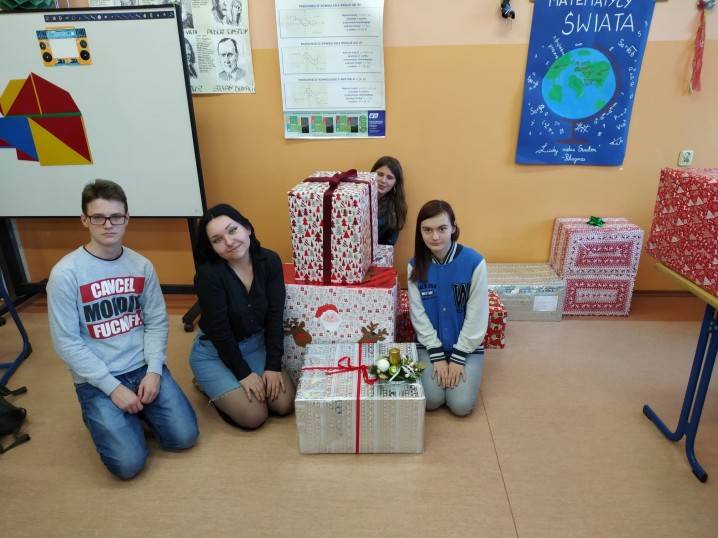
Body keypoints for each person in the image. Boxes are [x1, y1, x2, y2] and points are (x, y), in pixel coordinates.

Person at [46, 179, 199, 480]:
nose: (108, 225)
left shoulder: (141, 266)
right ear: (84, 220)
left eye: (115, 216)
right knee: (128, 466)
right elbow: (66, 342)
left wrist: (154, 370)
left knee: (184, 438)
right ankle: (102, 413)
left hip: (141, 367)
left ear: (127, 218)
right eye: (98, 217)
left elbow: (156, 322)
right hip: (97, 377)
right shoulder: (66, 274)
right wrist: (111, 387)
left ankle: (135, 411)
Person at [189, 204, 295, 429]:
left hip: (255, 344)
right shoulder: (209, 275)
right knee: (254, 416)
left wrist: (273, 366)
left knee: (284, 404)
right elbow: (219, 331)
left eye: (232, 230)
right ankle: (205, 383)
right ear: (211, 247)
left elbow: (275, 315)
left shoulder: (269, 260)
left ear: (247, 228)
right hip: (215, 351)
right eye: (217, 240)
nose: (229, 242)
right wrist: (243, 373)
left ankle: (234, 385)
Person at [407, 200, 489, 416]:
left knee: (460, 406)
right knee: (432, 400)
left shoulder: (475, 262)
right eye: (427, 230)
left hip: (467, 347)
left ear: (453, 228)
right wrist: (436, 355)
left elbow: (477, 315)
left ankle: (463, 369)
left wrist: (459, 357)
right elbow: (418, 315)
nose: (435, 237)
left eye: (442, 229)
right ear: (420, 231)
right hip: (428, 346)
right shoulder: (414, 265)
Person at [371, 156, 407, 245]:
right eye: (380, 174)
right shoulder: (358, 197)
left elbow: (388, 245)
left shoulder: (395, 210)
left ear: (395, 183)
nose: (383, 180)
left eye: (390, 178)